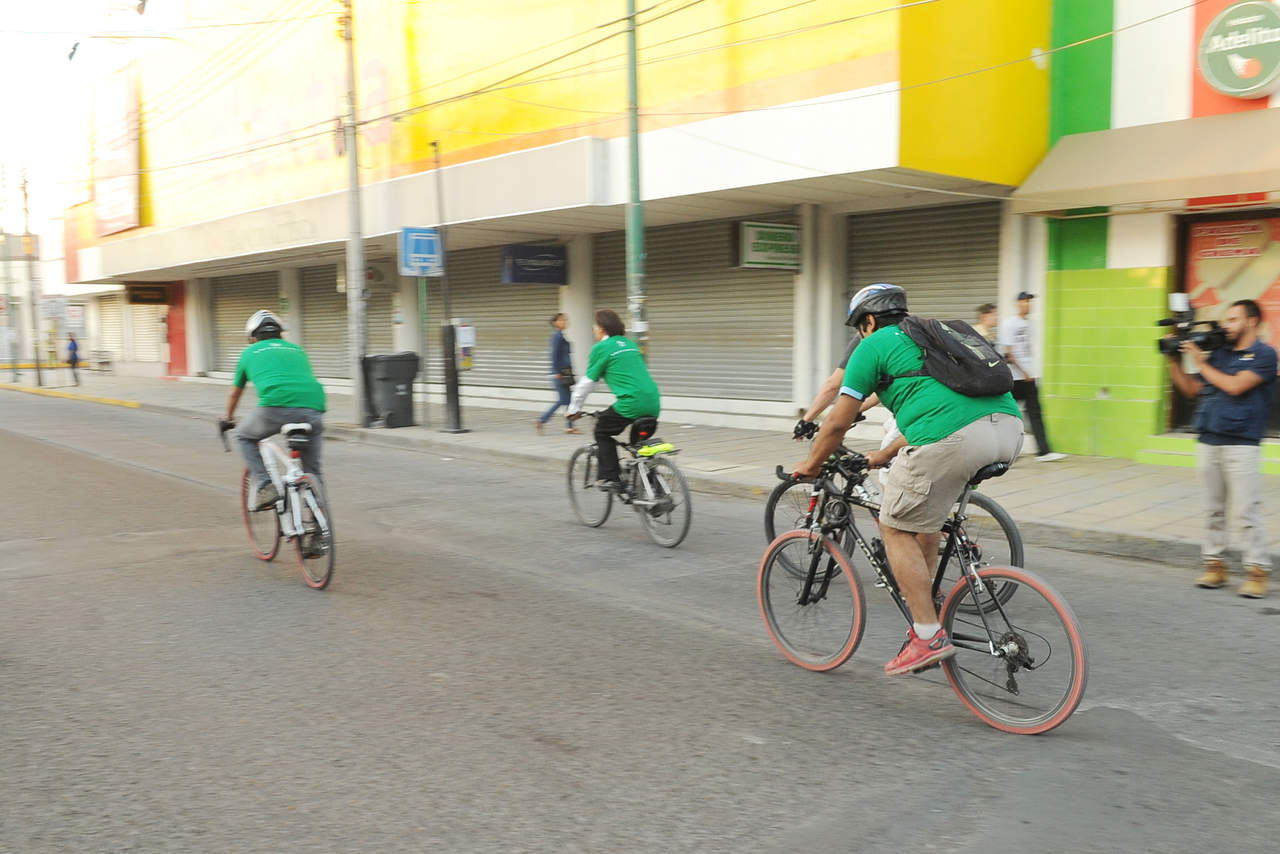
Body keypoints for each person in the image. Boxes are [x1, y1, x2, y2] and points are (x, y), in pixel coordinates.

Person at [794, 284, 1024, 675]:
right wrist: (884, 454)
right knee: (924, 516)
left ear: (868, 321)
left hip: (955, 441)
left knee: (893, 524)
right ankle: (928, 604)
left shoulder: (874, 344)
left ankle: (927, 635)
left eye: (858, 327)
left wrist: (812, 464)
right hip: (1009, 432)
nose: (858, 335)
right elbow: (939, 412)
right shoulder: (934, 334)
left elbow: (836, 423)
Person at [1166, 299, 1277, 598]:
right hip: (1209, 440)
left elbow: (1236, 386)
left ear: (1251, 322)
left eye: (1232, 319)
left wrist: (1199, 361)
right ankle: (1214, 565)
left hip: (1242, 443)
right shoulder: (1218, 355)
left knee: (1245, 510)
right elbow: (1191, 390)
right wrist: (1173, 359)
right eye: (1225, 320)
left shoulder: (1265, 355)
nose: (1225, 325)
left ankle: (1257, 569)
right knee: (1212, 510)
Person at [224, 310, 327, 512]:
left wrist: (228, 418)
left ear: (253, 337)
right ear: (280, 334)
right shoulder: (297, 349)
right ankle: (320, 521)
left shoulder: (249, 353)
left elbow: (235, 394)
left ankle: (264, 485)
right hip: (314, 408)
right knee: (312, 470)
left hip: (275, 408)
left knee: (243, 435)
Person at [566, 309, 661, 492]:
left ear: (602, 329)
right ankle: (654, 492)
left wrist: (573, 408)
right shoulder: (630, 344)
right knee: (639, 448)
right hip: (653, 401)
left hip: (631, 403)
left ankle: (612, 478)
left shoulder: (601, 347)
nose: (593, 329)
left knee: (602, 431)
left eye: (595, 325)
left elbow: (586, 383)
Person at [999, 292, 1066, 462]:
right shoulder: (1010, 324)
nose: (1028, 304)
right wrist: (1024, 372)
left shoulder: (1031, 323)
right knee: (1008, 416)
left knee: (1035, 413)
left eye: (1029, 301)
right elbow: (1008, 351)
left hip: (1029, 377)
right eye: (1025, 301)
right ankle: (1006, 453)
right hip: (1016, 378)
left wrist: (1032, 373)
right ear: (1018, 304)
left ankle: (1044, 451)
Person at [535, 313, 578, 434]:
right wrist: (556, 371)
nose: (564, 322)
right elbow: (554, 355)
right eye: (561, 320)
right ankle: (541, 420)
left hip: (565, 371)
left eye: (565, 320)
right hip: (560, 372)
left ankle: (570, 426)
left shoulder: (561, 336)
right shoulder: (556, 336)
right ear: (555, 323)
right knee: (563, 400)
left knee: (568, 400)